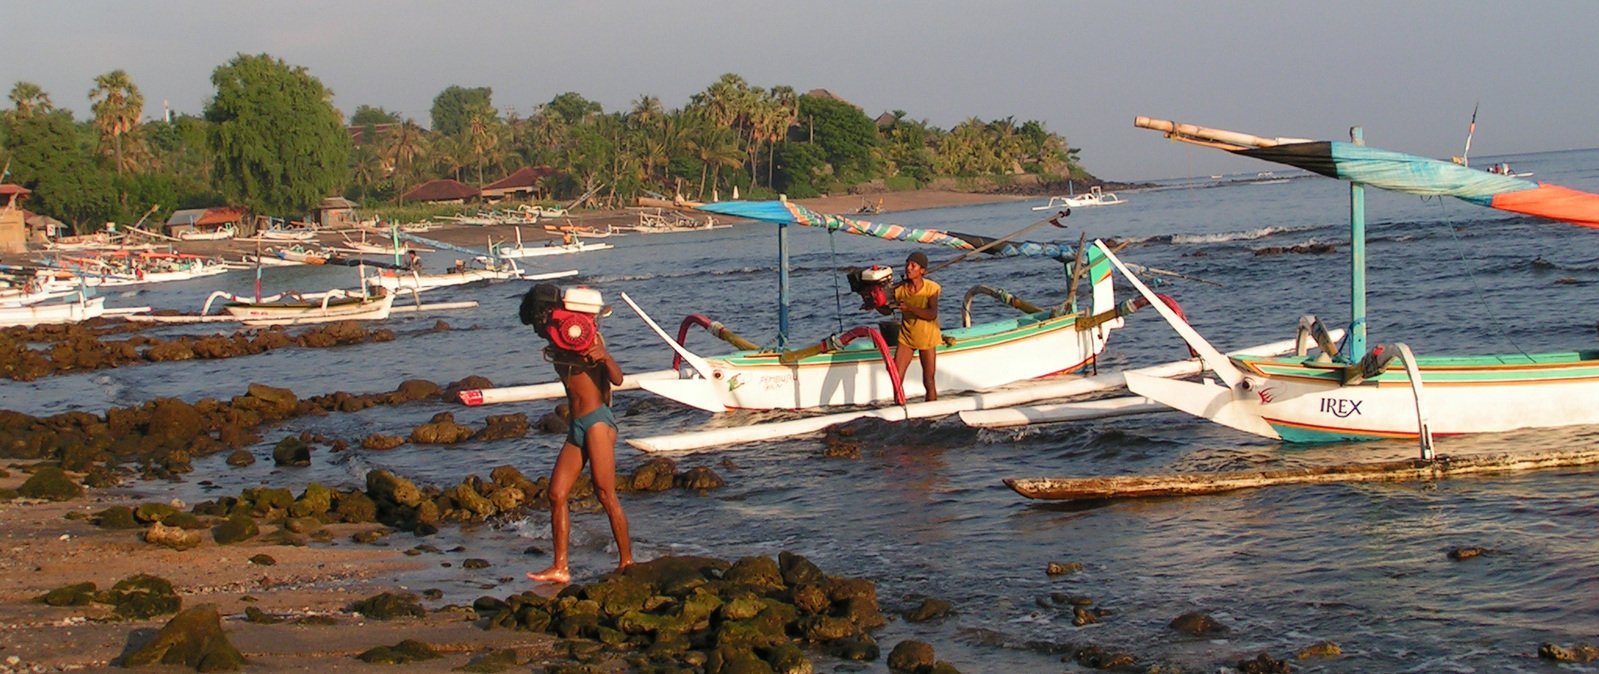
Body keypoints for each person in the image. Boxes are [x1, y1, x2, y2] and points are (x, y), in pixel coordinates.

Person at [524, 291, 632, 584]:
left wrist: (604, 357)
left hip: (597, 421)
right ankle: (560, 567)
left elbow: (618, 379)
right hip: (577, 425)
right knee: (556, 494)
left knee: (605, 493)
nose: (536, 332)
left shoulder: (587, 339)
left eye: (536, 325)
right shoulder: (557, 342)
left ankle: (626, 561)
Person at [876, 251, 941, 401]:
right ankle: (899, 409)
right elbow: (887, 311)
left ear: (922, 271)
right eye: (907, 264)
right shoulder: (899, 289)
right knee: (896, 378)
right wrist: (875, 304)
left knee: (928, 380)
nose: (908, 268)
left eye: (913, 265)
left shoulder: (932, 288)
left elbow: (932, 314)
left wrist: (910, 308)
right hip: (906, 337)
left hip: (927, 337)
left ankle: (931, 412)